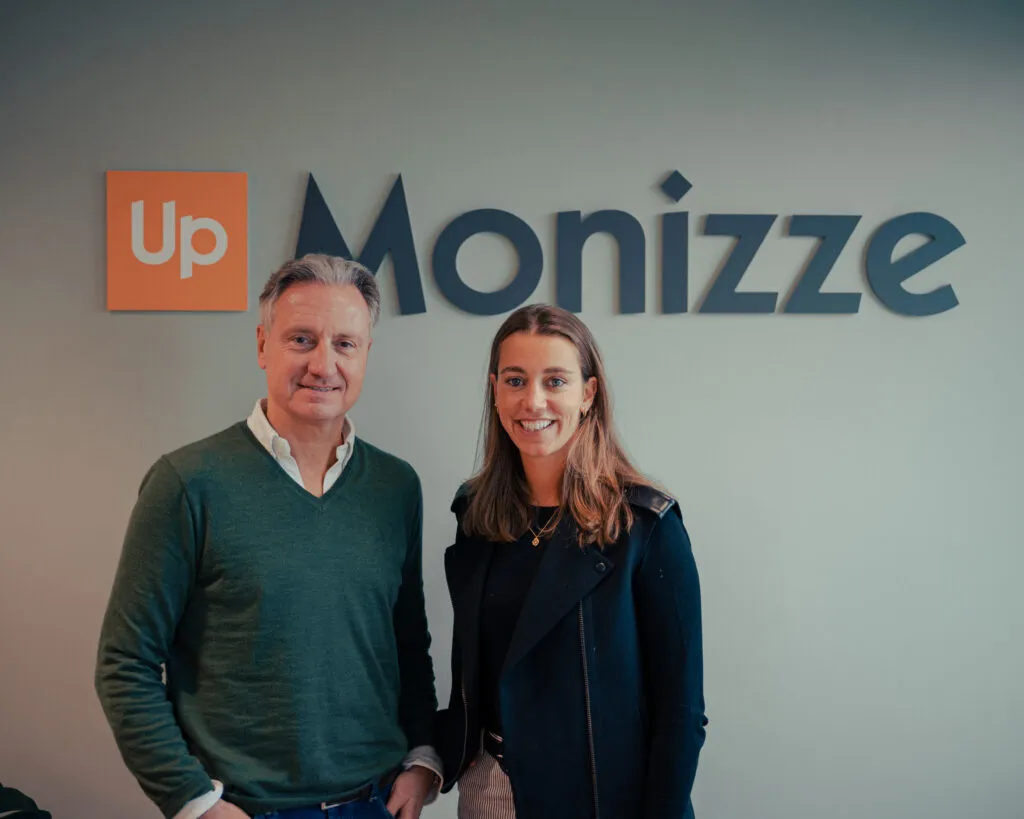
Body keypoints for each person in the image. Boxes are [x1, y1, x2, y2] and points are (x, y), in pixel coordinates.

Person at [96, 255, 441, 819]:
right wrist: (194, 801)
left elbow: (408, 643)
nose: (323, 364)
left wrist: (423, 755)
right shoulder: (188, 483)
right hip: (246, 809)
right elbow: (125, 662)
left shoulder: (396, 486)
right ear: (262, 345)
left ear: (365, 354)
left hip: (376, 801)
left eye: (345, 344)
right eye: (301, 339)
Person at [434, 304, 708, 819]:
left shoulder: (646, 525)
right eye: (515, 380)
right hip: (490, 790)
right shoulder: (475, 514)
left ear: (588, 393)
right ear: (495, 391)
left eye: (555, 381)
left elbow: (682, 712)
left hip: (602, 799)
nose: (532, 400)